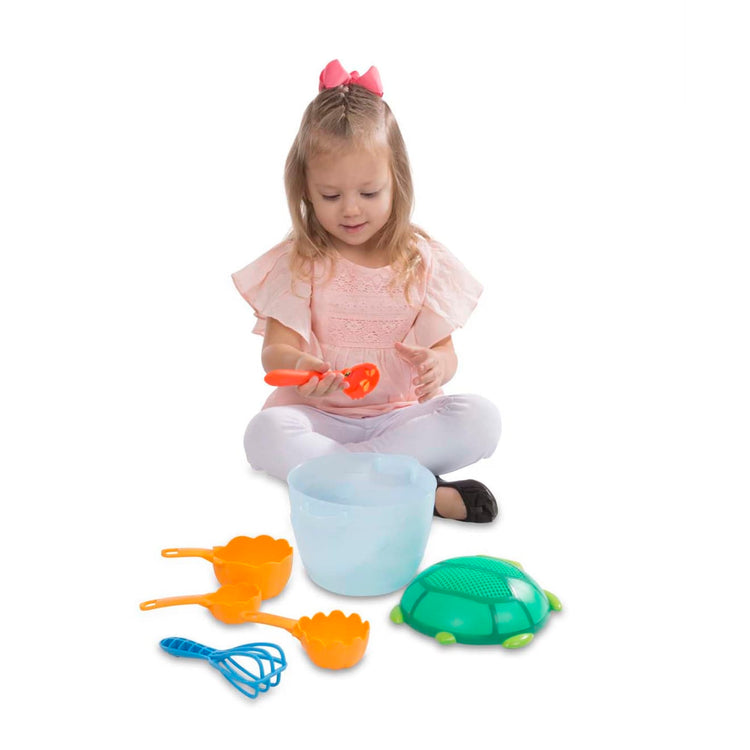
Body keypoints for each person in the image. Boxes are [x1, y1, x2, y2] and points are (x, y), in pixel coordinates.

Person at [232, 60, 501, 522]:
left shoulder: (422, 261)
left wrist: (437, 367)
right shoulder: (302, 261)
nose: (351, 210)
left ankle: (348, 479)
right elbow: (275, 353)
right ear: (306, 193)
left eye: (370, 193)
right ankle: (412, 485)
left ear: (397, 181)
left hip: (399, 418)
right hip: (319, 418)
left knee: (481, 419)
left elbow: (445, 352)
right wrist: (299, 366)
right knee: (265, 431)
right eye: (331, 196)